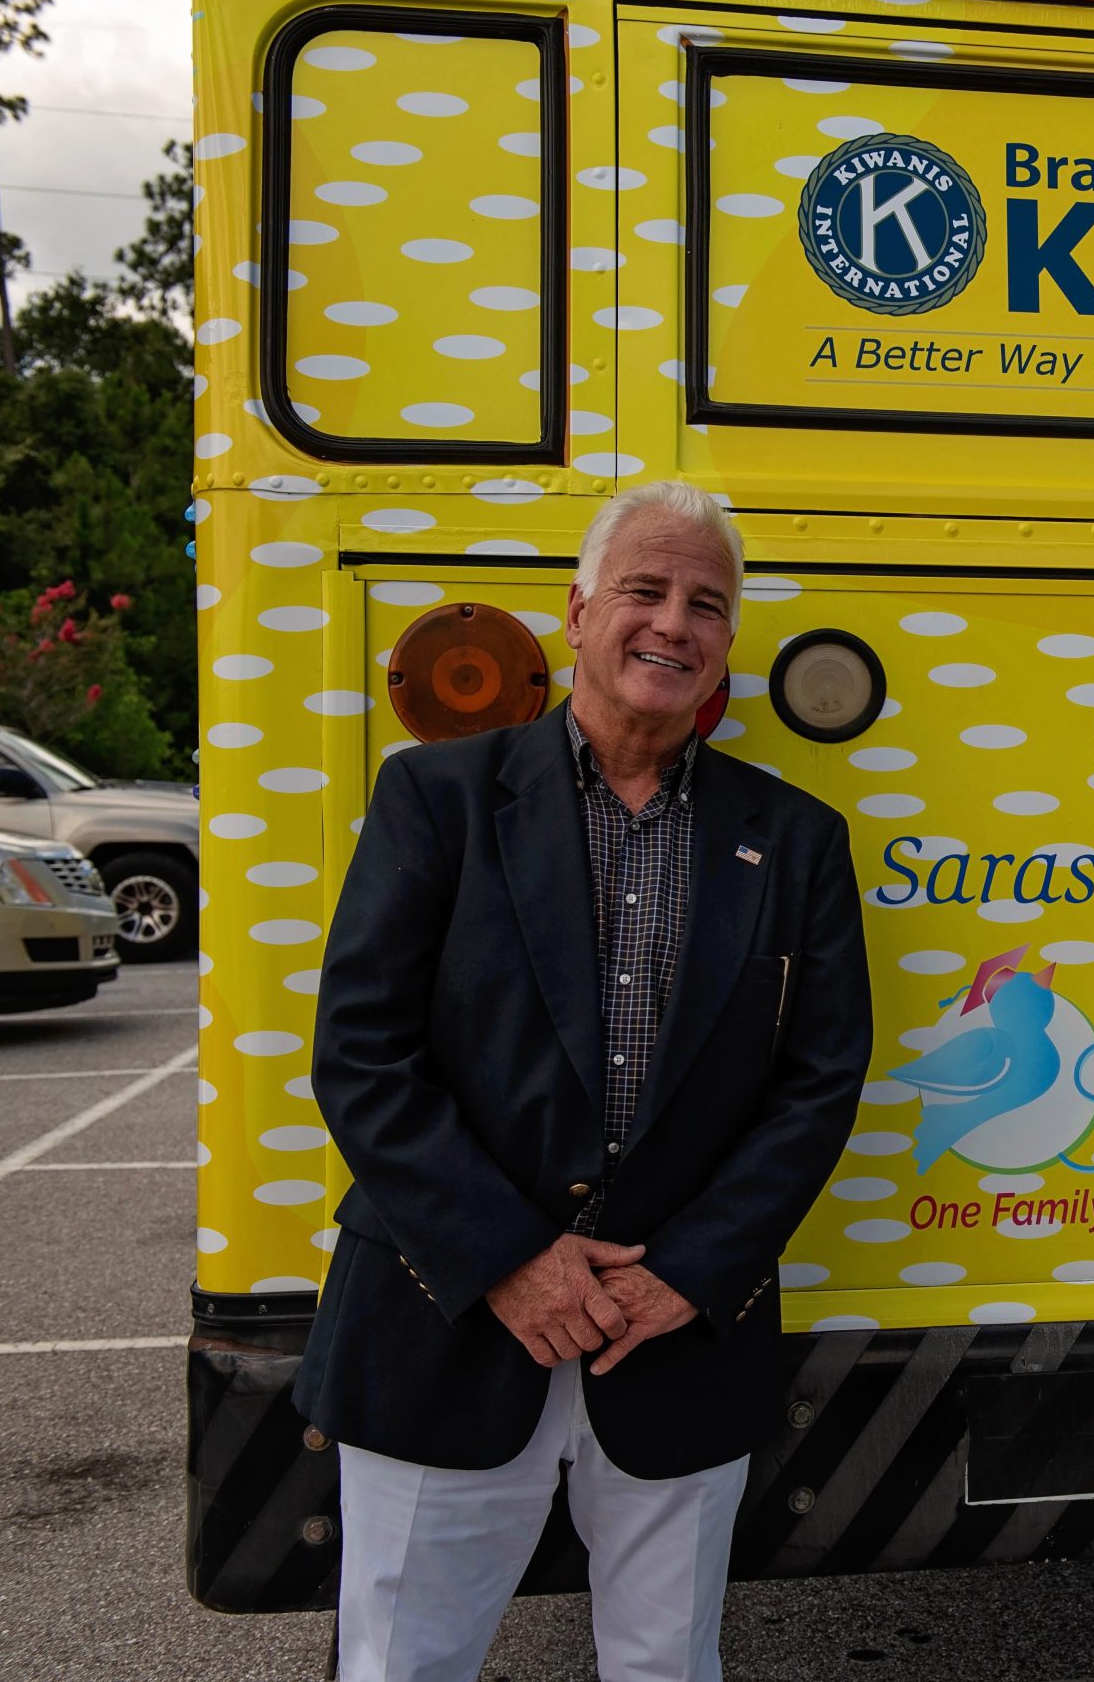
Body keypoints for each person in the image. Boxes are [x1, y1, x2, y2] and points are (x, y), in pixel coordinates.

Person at [296, 481, 872, 1682]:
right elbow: (361, 1053)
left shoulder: (796, 836)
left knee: (668, 1665)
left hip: (676, 1339)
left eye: (705, 602)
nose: (673, 622)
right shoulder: (437, 797)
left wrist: (692, 1270)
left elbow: (817, 1082)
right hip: (447, 1321)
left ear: (728, 638)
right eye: (644, 589)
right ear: (576, 612)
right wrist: (511, 1256)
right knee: (402, 1664)